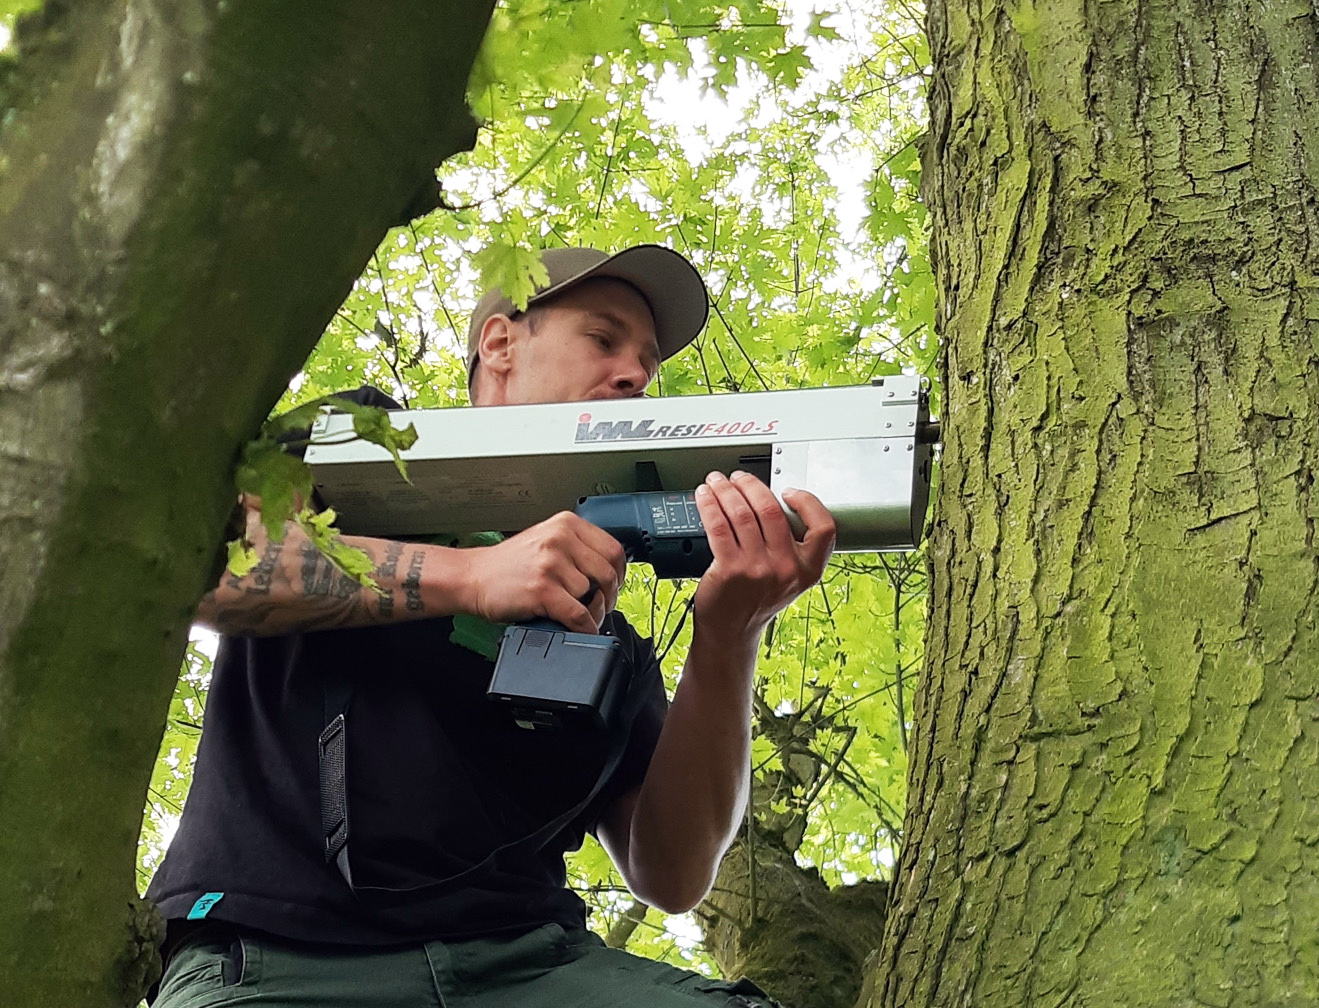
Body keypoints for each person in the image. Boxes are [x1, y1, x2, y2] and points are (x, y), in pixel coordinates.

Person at [146, 244, 837, 1007]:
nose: (635, 375)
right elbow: (192, 563)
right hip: (280, 958)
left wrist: (729, 635)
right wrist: (473, 576)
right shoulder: (366, 441)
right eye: (604, 340)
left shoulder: (609, 637)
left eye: (648, 363)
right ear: (501, 344)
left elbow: (671, 872)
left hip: (533, 966)